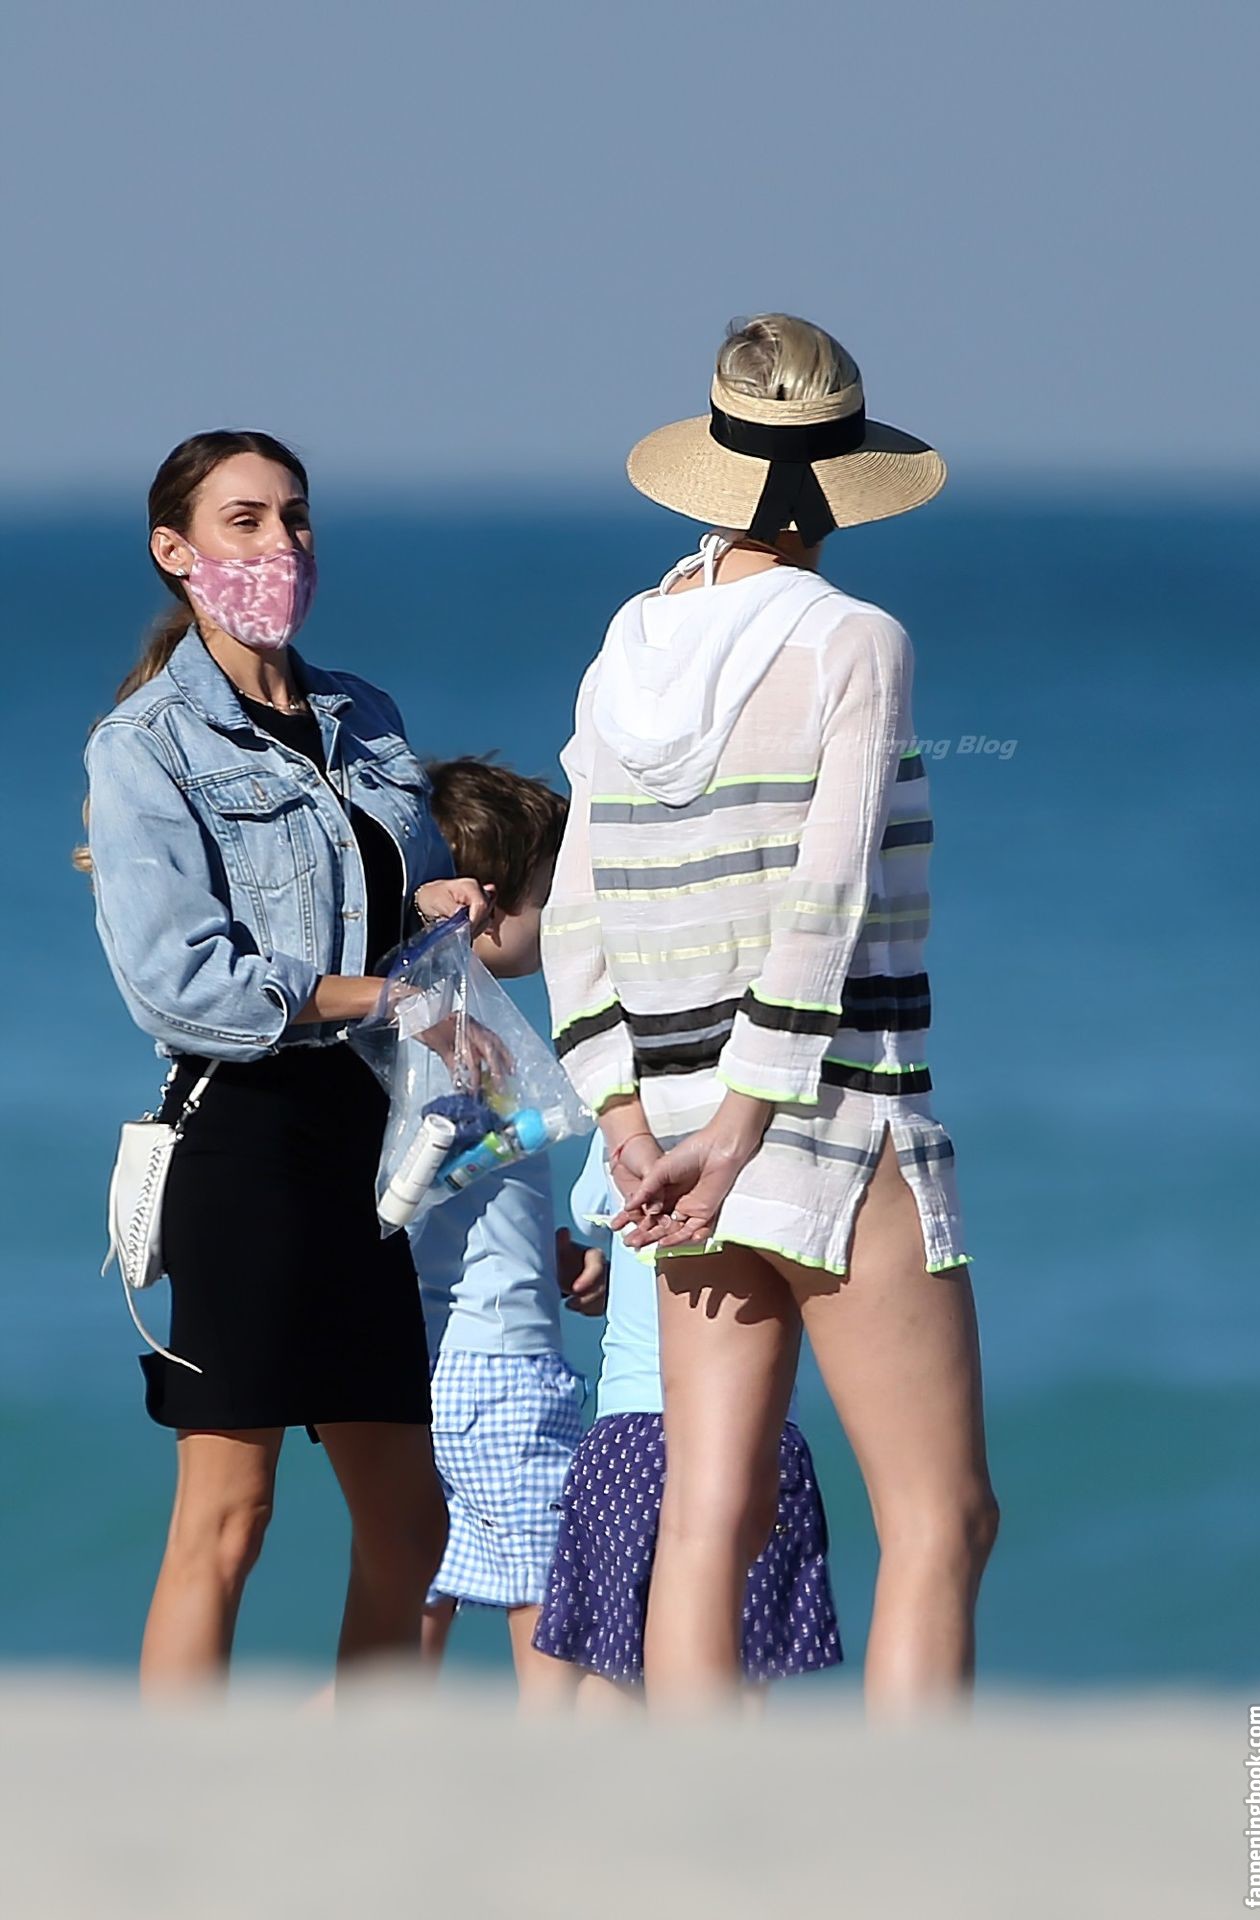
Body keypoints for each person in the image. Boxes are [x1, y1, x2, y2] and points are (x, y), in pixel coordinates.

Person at [542, 315, 1000, 1714]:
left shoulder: (625, 647)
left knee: (707, 1515)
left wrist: (625, 1119)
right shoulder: (856, 639)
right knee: (940, 1519)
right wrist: (745, 1126)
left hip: (672, 1128)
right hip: (822, 1114)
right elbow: (828, 897)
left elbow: (575, 913)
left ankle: (699, 1828)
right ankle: (915, 1827)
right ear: (844, 475)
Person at [81, 431, 489, 1693]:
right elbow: (178, 981)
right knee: (228, 1517)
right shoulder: (144, 746)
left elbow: (393, 906)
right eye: (245, 521)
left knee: (412, 1522)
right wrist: (376, 993)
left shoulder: (366, 715)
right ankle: (170, 1796)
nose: (279, 545)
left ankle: (358, 1781)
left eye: (295, 518)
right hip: (244, 1140)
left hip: (376, 1141)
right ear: (177, 551)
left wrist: (439, 908)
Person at [410, 759, 607, 1706]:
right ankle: (553, 1767)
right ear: (486, 901)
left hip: (423, 1355)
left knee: (414, 1599)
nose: (562, 914)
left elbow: (438, 1190)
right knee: (549, 1603)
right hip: (498, 1363)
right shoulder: (463, 1035)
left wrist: (547, 1249)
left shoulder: (415, 1018)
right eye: (549, 891)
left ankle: (340, 1754)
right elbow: (459, 1159)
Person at [533, 1130, 842, 1706]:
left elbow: (590, 1209)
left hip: (625, 1435)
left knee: (609, 1670)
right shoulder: (774, 1130)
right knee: (741, 1670)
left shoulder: (628, 1128)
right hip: (751, 1433)